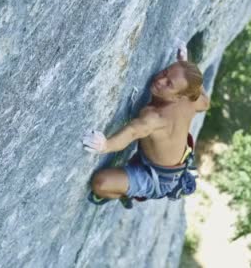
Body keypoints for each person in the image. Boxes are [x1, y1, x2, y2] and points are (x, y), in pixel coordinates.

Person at [83, 43, 210, 203]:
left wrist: (105, 145)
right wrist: (184, 63)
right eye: (165, 72)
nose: (160, 80)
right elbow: (206, 102)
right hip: (170, 160)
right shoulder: (190, 98)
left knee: (100, 183)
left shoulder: (155, 117)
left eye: (169, 84)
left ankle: (126, 194)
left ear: (179, 97)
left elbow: (132, 132)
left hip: (158, 178)